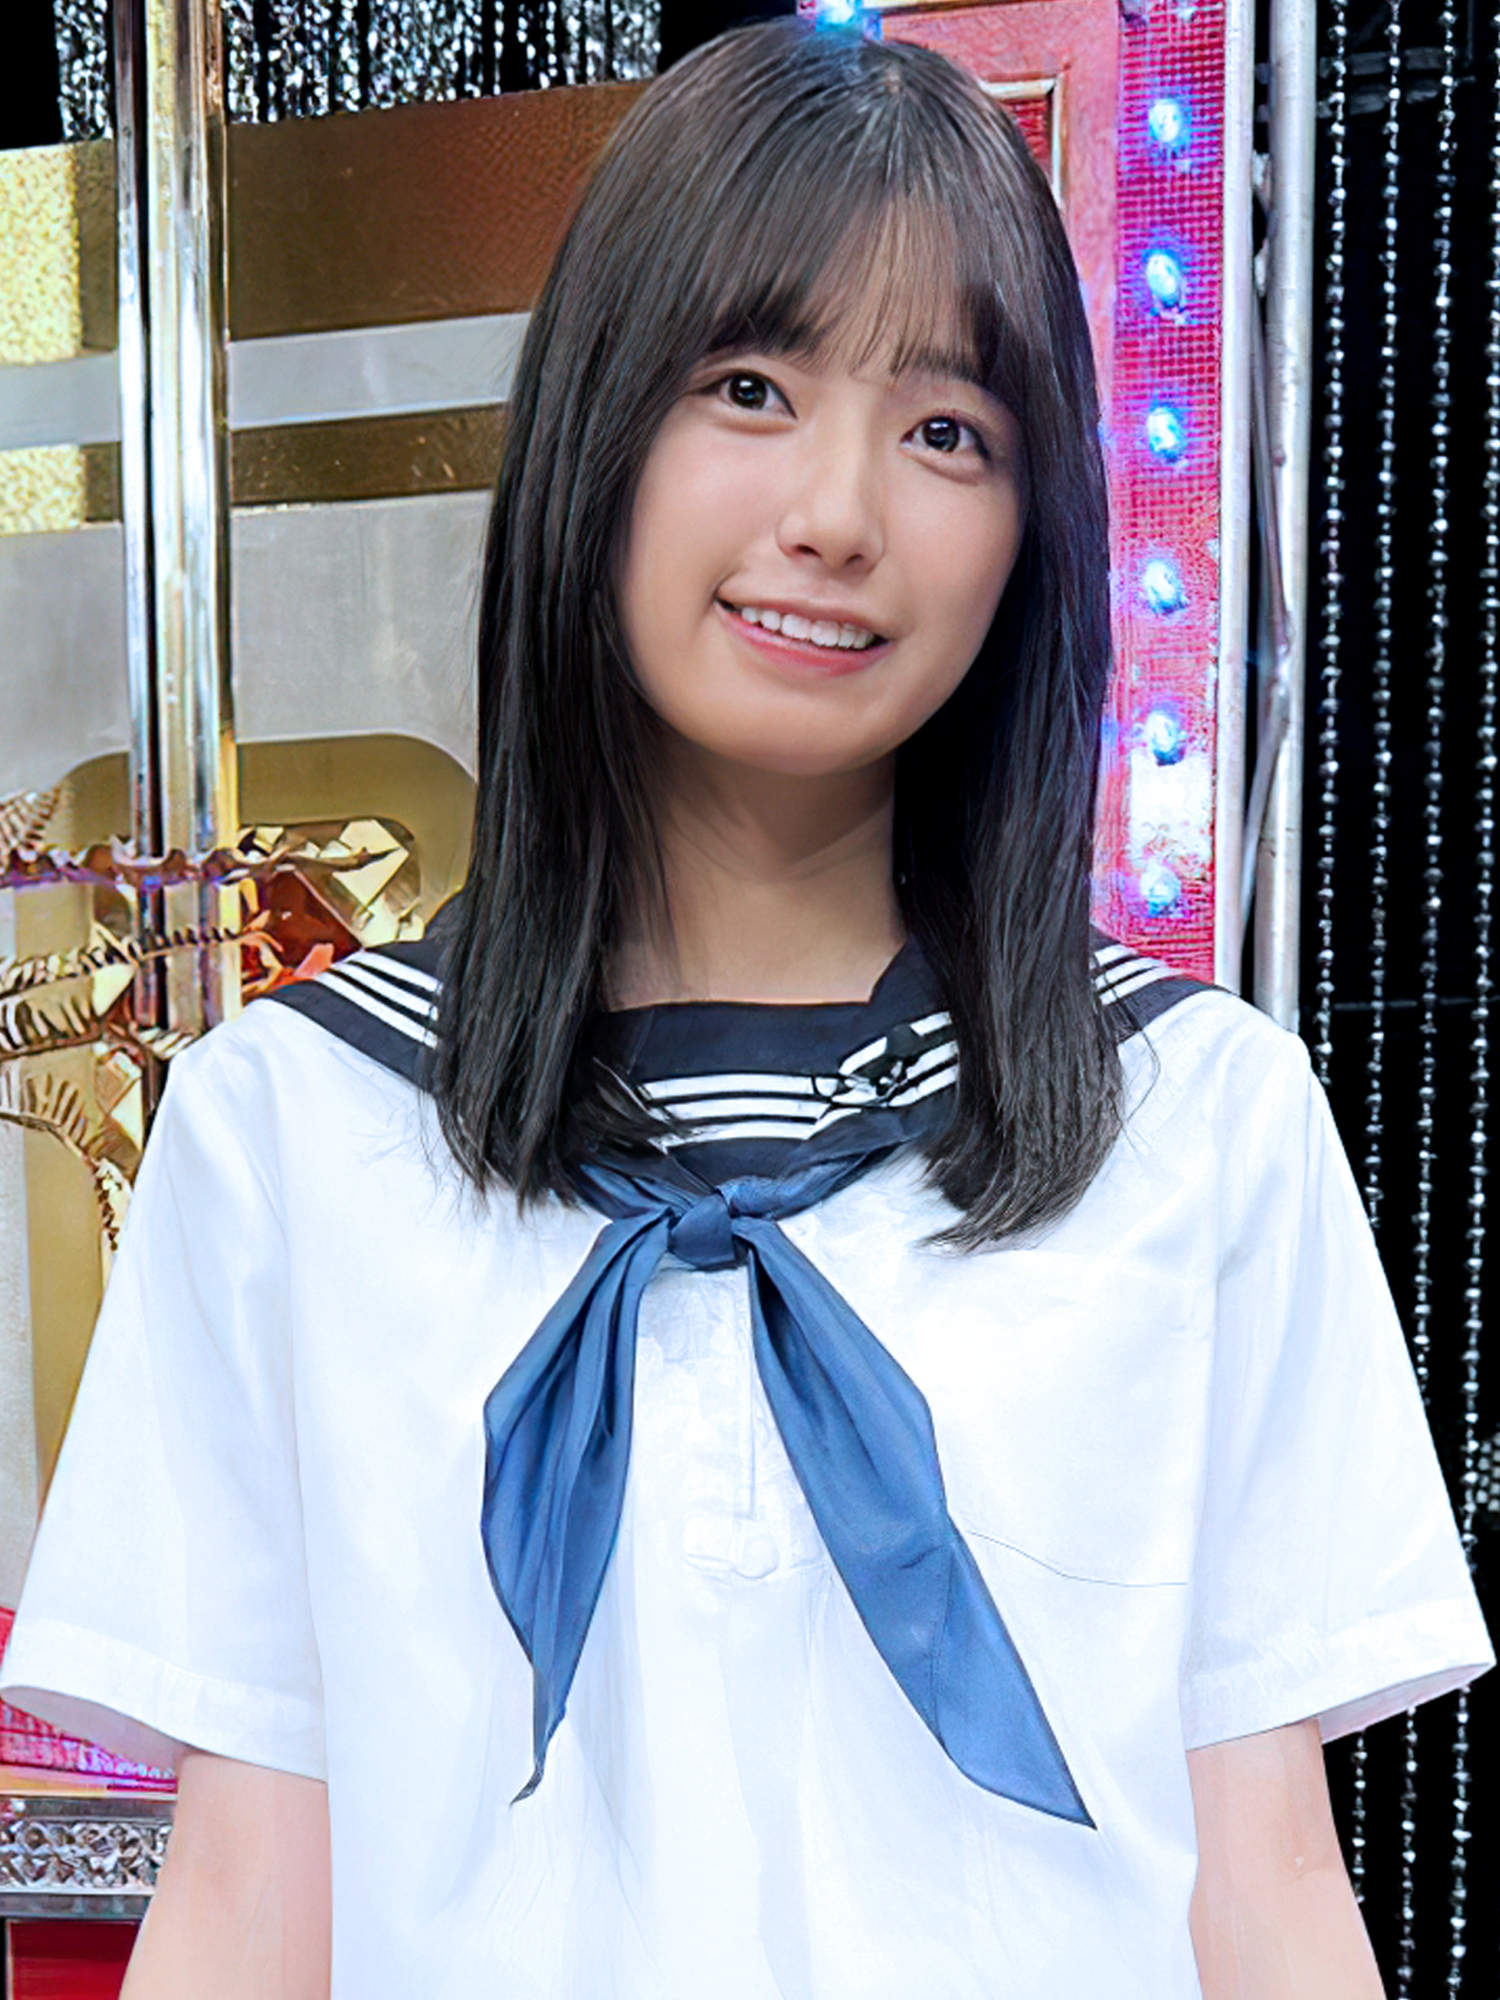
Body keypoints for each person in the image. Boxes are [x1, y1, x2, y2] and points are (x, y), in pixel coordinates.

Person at [1, 20, 1491, 1998]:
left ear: (1033, 529)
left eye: (947, 430)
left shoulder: (1197, 1123)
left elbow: (1270, 1884)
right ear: (598, 431)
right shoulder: (295, 1126)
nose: (840, 513)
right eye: (752, 388)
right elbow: (247, 1900)